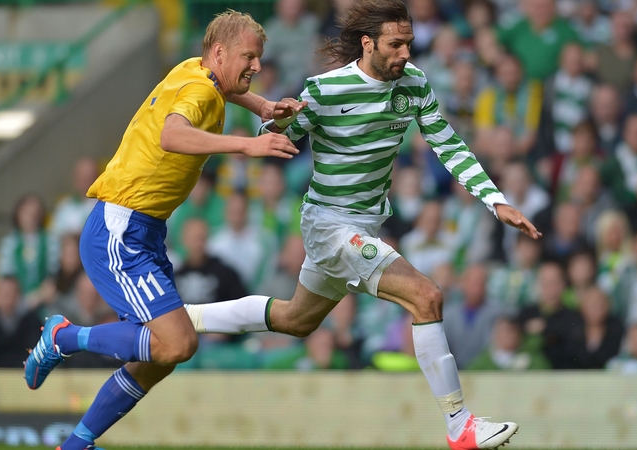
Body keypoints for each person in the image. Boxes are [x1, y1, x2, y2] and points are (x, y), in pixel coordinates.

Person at [185, 1, 541, 448]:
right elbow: (272, 142)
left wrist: (495, 200)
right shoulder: (325, 89)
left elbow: (448, 144)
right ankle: (460, 425)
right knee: (426, 296)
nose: (406, 53)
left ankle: (185, 317)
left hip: (364, 226)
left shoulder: (413, 84)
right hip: (329, 225)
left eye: (409, 43)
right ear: (368, 43)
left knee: (296, 319)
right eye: (396, 44)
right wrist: (279, 122)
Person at [22, 11, 304, 450]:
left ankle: (76, 444)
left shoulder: (194, 70)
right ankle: (63, 337)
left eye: (259, 58)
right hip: (120, 231)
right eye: (249, 57)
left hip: (144, 231)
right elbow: (173, 135)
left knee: (158, 357)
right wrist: (247, 144)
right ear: (219, 52)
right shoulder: (199, 91)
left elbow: (221, 88)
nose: (257, 67)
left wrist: (263, 106)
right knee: (176, 343)